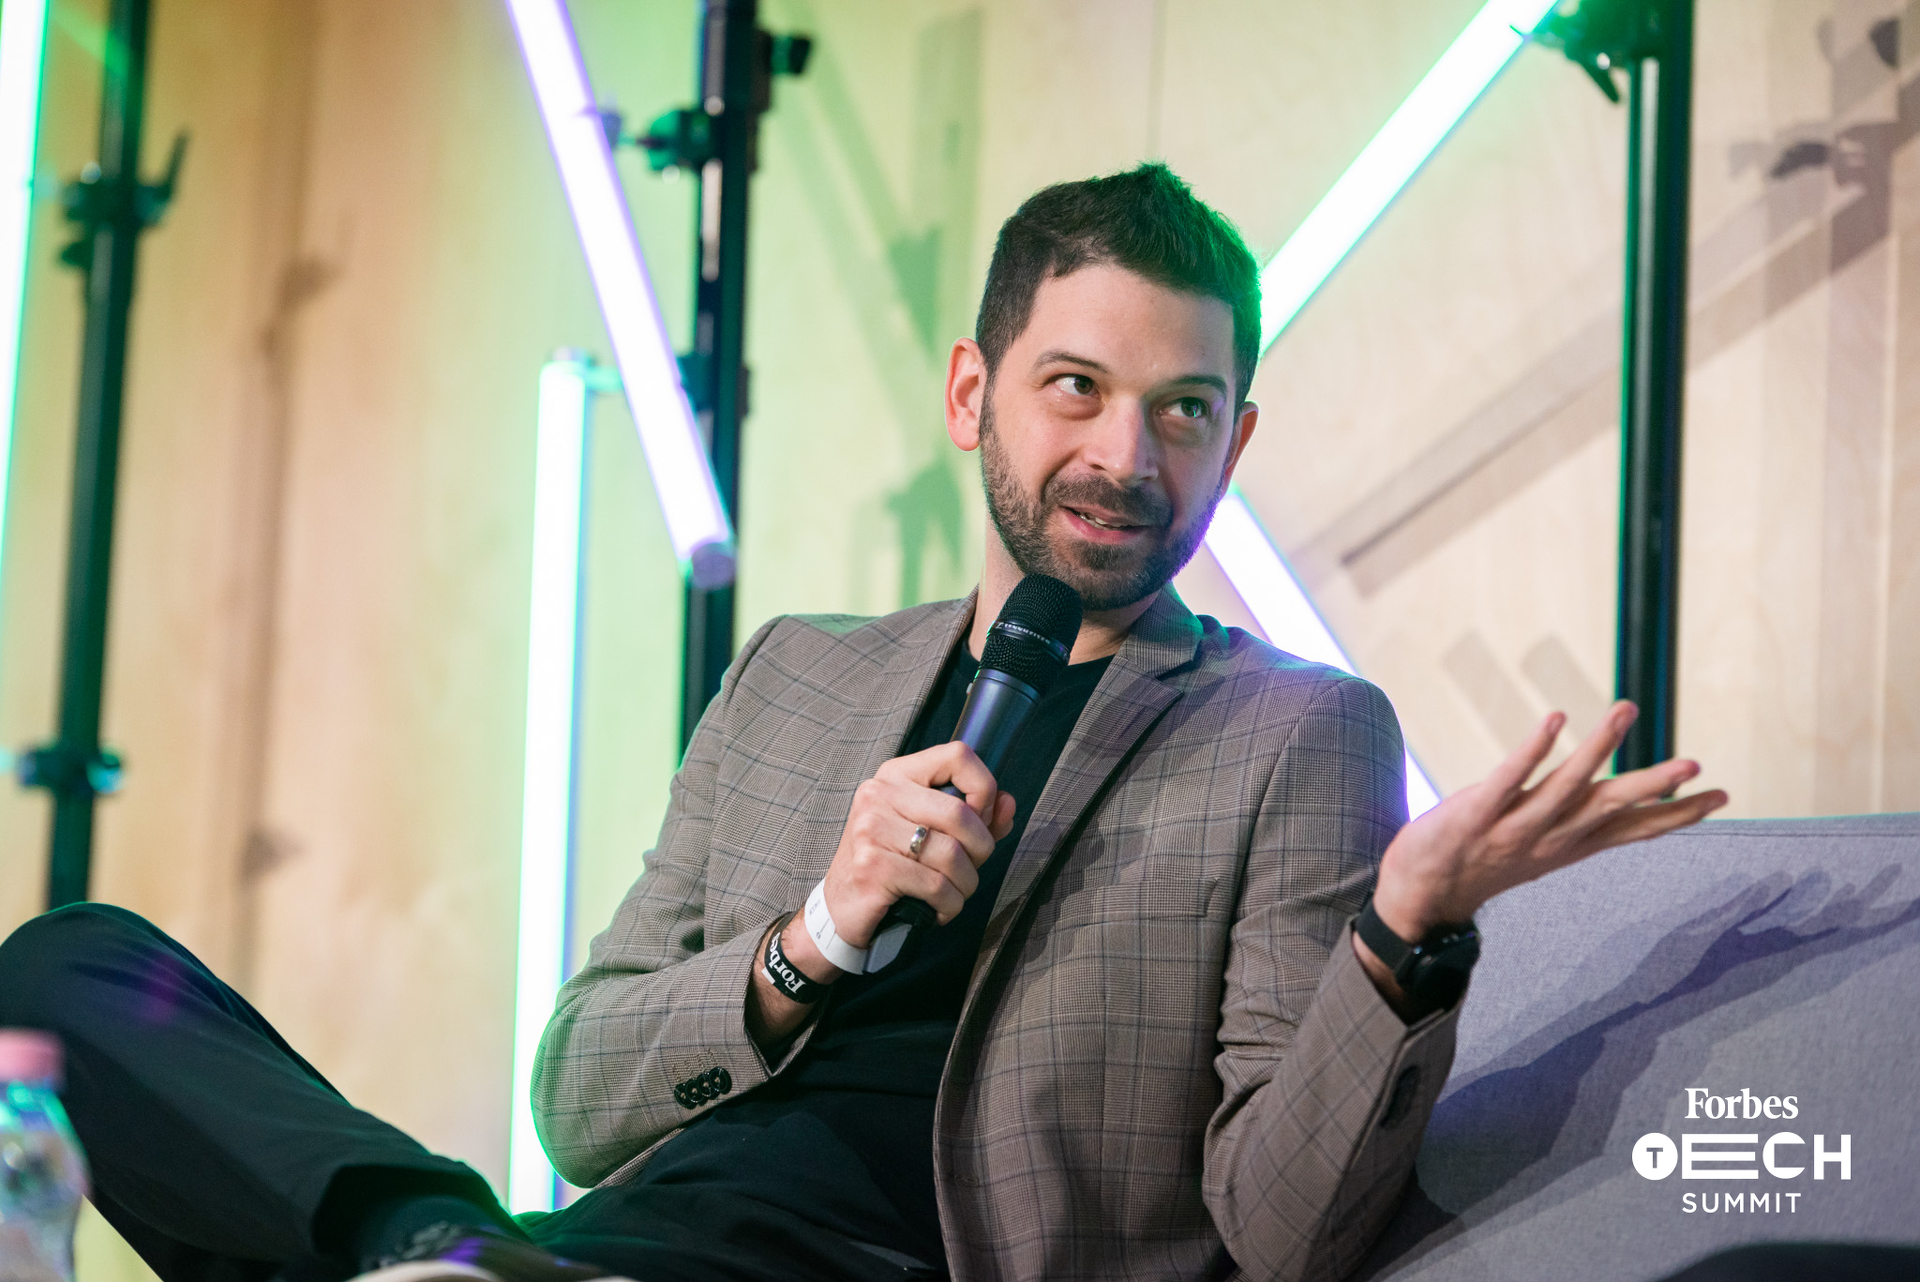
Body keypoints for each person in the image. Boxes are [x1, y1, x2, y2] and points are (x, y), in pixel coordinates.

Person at [0, 164, 1724, 1282]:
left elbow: (1279, 1236)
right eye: (1077, 388)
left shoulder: (1297, 733)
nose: (1128, 456)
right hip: (612, 1245)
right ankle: (440, 1256)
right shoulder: (797, 675)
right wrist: (810, 938)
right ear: (975, 392)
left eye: (1185, 410)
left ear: (1236, 440)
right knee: (65, 968)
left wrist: (1404, 935)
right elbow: (582, 1095)